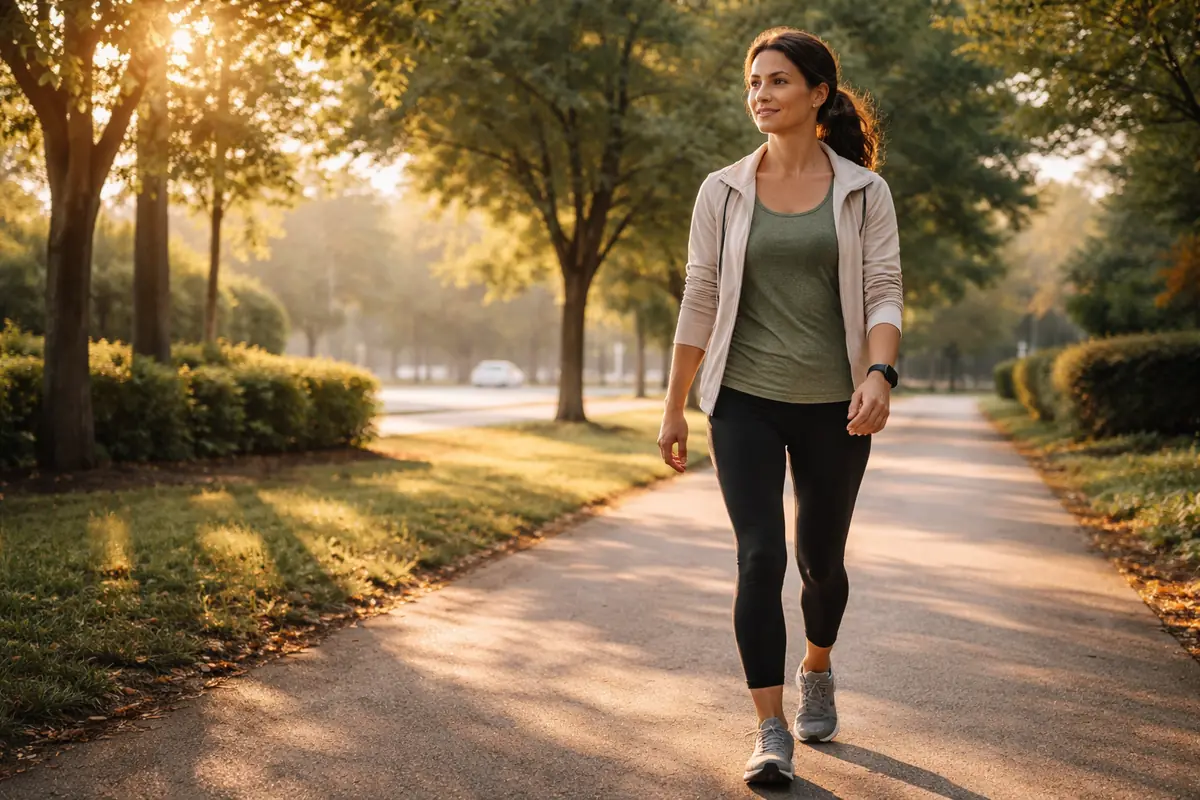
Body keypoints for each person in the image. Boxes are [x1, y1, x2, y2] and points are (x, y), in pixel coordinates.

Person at [656, 27, 903, 785]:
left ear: (819, 94)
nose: (760, 95)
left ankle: (817, 668)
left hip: (836, 403)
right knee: (759, 556)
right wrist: (674, 407)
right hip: (743, 400)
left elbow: (883, 288)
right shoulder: (722, 190)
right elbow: (699, 295)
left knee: (818, 562)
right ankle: (770, 729)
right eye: (753, 82)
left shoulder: (864, 191)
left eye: (778, 82)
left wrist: (880, 372)